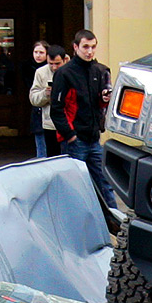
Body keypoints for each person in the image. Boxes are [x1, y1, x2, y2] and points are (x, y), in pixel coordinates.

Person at [51, 29, 115, 207]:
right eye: (85, 47)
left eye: (93, 47)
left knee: (105, 183)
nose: (90, 51)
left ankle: (115, 222)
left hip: (93, 138)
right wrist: (70, 135)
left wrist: (103, 100)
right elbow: (57, 108)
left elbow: (95, 104)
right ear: (75, 47)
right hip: (75, 139)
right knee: (75, 187)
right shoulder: (64, 73)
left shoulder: (97, 70)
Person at [29, 45, 67, 158]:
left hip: (69, 123)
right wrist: (45, 94)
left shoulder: (70, 71)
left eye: (57, 63)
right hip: (50, 124)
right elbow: (33, 98)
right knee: (51, 158)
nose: (54, 67)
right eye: (51, 63)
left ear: (64, 60)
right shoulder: (41, 72)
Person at [28, 41, 49, 158]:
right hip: (37, 112)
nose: (38, 55)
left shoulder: (52, 69)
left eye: (41, 52)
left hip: (50, 116)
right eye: (36, 52)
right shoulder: (29, 68)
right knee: (41, 146)